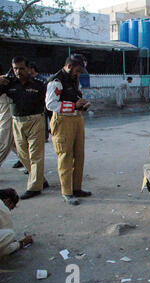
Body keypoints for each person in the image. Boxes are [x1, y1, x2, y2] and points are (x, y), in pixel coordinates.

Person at [46, 54, 91, 206]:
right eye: (77, 71)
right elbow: (51, 104)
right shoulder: (56, 82)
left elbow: (75, 97)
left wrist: (82, 105)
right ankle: (67, 192)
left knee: (79, 155)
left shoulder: (73, 79)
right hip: (63, 121)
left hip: (77, 118)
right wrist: (73, 106)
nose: (79, 74)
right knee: (65, 156)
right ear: (69, 66)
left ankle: (76, 188)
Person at [0, 57, 48, 200]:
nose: (18, 72)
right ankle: (40, 180)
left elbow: (49, 103)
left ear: (28, 69)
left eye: (21, 68)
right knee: (22, 155)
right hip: (17, 122)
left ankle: (34, 187)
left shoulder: (40, 84)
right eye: (15, 69)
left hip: (35, 121)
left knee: (35, 155)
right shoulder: (9, 83)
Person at [0, 188, 33, 259]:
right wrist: (21, 243)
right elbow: (4, 250)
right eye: (10, 208)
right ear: (8, 201)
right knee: (10, 234)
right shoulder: (3, 209)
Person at [29, 62, 51, 143]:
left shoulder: (42, 79)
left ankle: (46, 136)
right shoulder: (30, 79)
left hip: (45, 102)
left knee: (46, 119)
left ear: (32, 69)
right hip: (36, 103)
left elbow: (46, 91)